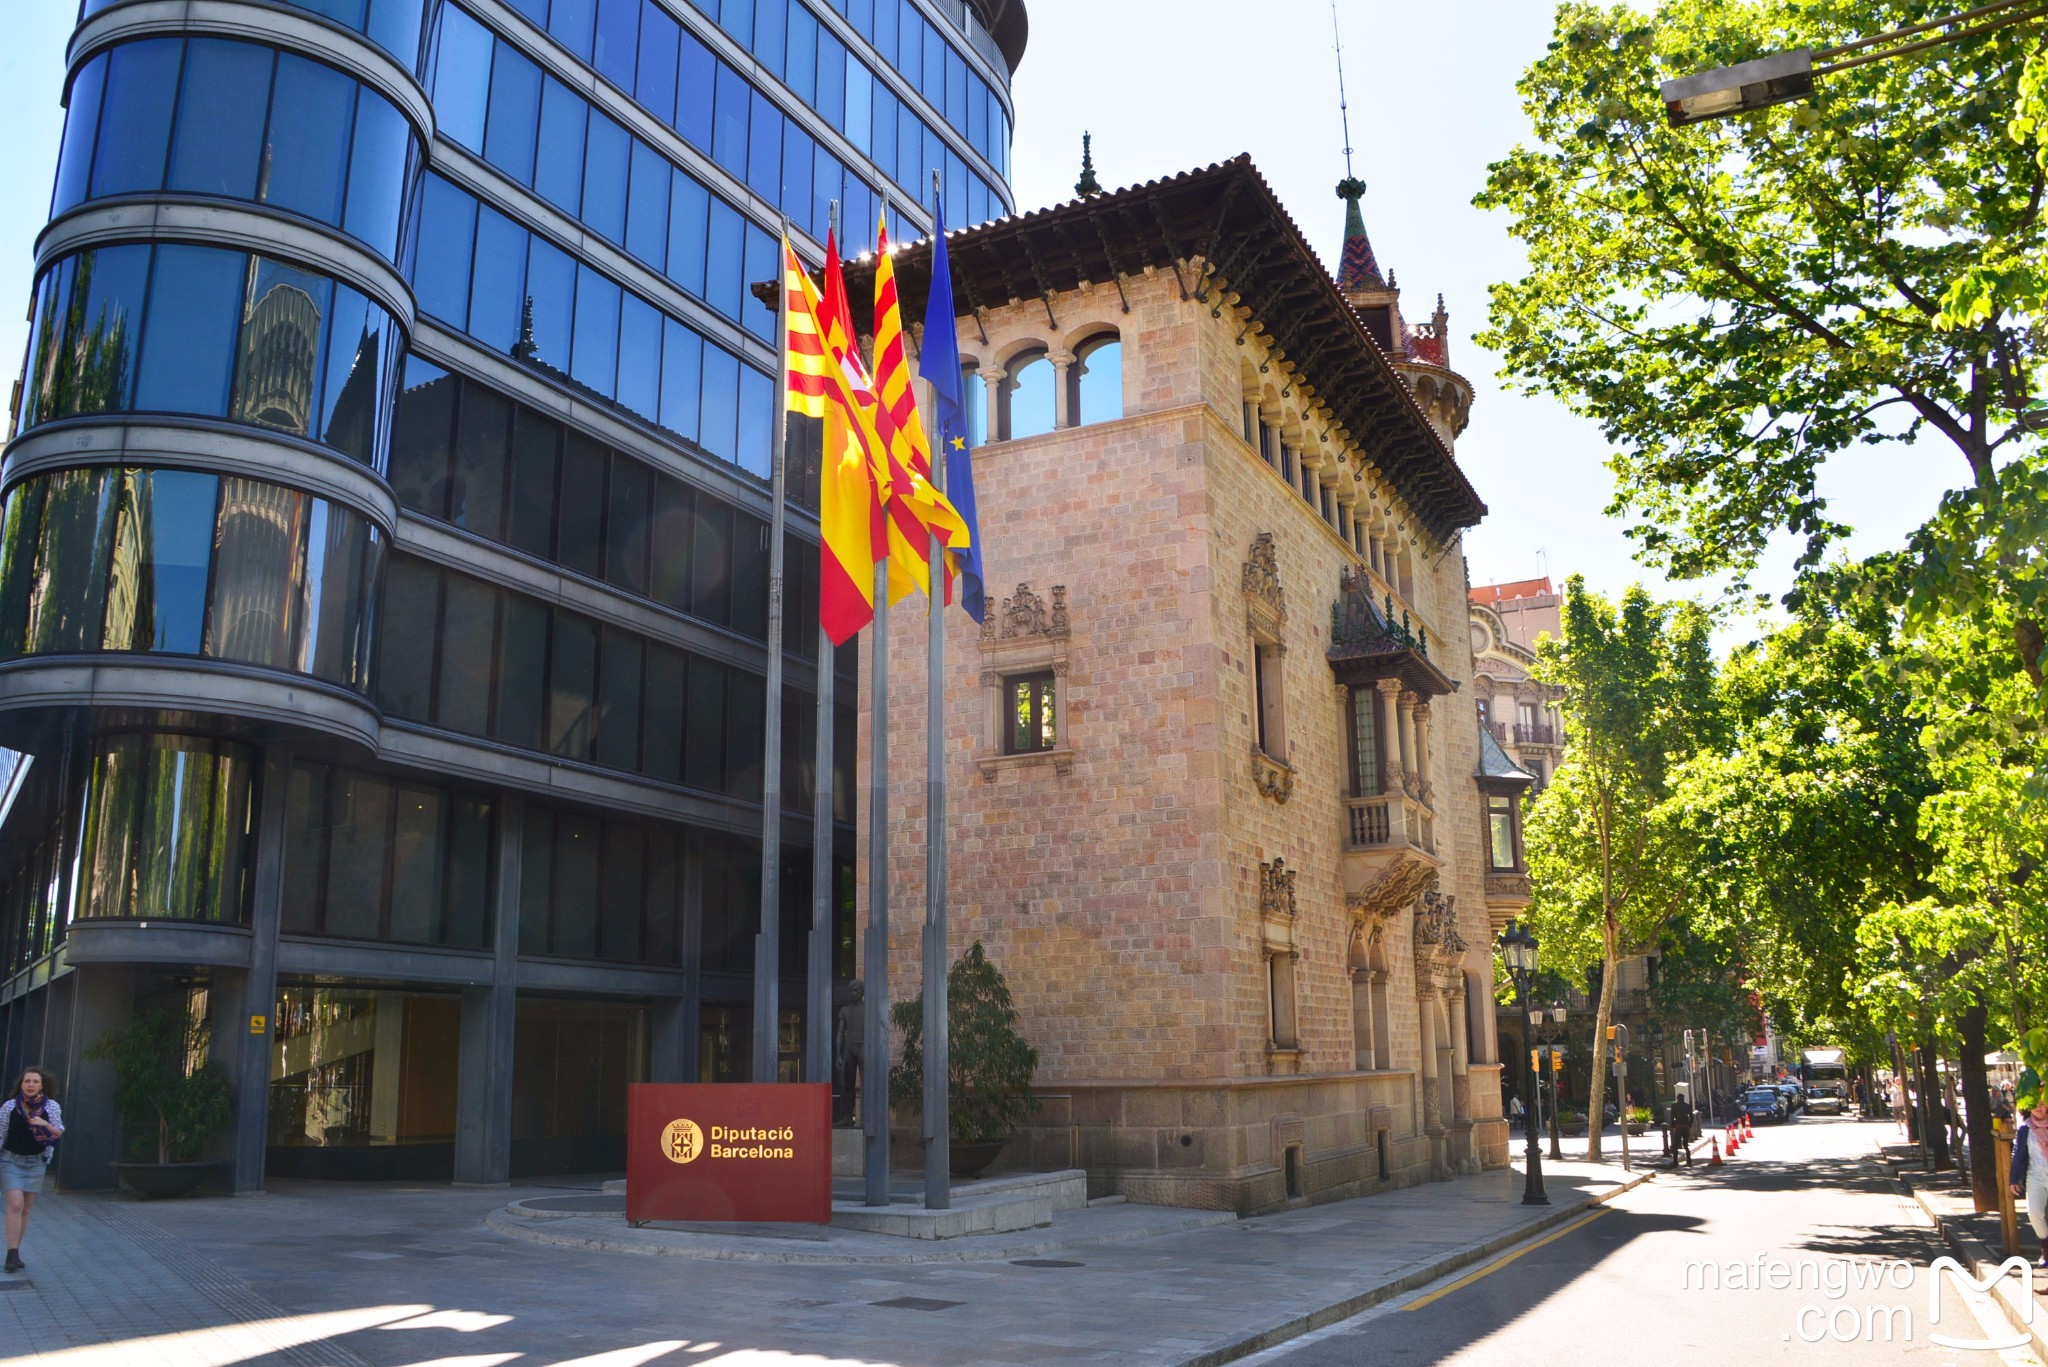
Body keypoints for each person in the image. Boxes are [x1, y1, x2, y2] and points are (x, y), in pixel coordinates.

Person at [0, 1067, 62, 1272]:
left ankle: (16, 1250)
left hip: (36, 1162)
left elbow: (58, 1132)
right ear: (21, 1084)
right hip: (11, 1161)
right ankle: (10, 1254)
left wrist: (44, 1123)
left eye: (35, 1081)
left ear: (42, 1085)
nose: (31, 1085)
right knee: (15, 1204)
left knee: (26, 1209)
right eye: (27, 1081)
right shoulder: (10, 1107)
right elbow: (1, 1133)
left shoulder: (51, 1107)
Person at [1669, 1093, 1696, 1166]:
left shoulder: (1674, 1106)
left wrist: (1673, 1125)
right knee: (1685, 1145)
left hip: (1678, 1126)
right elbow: (1691, 1116)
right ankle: (1689, 1161)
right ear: (1683, 1098)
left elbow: (1672, 1117)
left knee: (1676, 1145)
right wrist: (1689, 1124)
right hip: (1686, 1126)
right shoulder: (1687, 1106)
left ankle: (1675, 1162)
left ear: (1677, 1098)